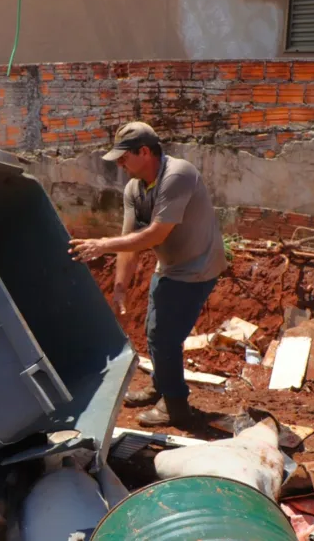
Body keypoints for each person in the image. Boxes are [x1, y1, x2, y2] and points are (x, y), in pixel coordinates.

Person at [68, 122, 227, 428]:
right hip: (168, 266)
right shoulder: (134, 188)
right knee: (154, 329)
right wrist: (119, 289)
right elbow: (130, 242)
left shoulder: (178, 175)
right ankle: (160, 386)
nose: (119, 164)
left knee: (164, 337)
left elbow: (154, 235)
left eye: (124, 157)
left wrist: (102, 245)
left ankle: (176, 406)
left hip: (197, 267)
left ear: (144, 151)